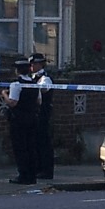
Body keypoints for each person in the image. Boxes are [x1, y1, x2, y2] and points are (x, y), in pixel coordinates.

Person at [3, 56, 42, 185]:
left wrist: (4, 95)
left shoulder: (16, 84)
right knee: (31, 147)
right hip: (32, 118)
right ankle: (32, 175)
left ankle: (23, 175)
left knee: (20, 148)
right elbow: (39, 101)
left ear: (17, 70)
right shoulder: (34, 84)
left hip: (19, 119)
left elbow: (13, 102)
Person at [29, 53, 57, 181]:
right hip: (35, 114)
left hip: (43, 114)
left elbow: (43, 90)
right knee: (35, 142)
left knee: (44, 143)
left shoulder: (45, 78)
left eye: (33, 64)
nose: (31, 66)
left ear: (40, 64)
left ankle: (46, 170)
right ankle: (38, 168)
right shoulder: (33, 77)